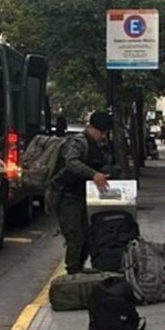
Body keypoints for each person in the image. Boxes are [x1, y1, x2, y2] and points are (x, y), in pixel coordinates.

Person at [52, 111, 112, 274]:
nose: (103, 136)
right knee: (76, 238)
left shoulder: (97, 146)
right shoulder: (79, 142)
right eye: (102, 132)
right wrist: (93, 174)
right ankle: (72, 274)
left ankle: (78, 270)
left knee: (86, 237)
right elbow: (71, 162)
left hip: (83, 198)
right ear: (93, 128)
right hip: (68, 197)